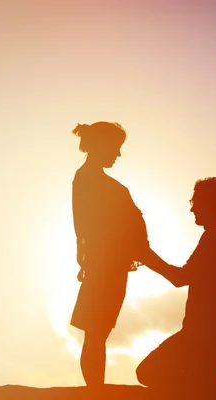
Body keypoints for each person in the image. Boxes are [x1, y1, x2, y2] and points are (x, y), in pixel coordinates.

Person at [137, 177, 216, 397]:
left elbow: (181, 277)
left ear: (210, 204)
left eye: (196, 202)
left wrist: (145, 255)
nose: (192, 208)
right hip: (206, 335)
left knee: (150, 373)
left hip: (205, 336)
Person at [70, 121, 148, 387]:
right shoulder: (91, 180)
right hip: (104, 264)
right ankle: (96, 390)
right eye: (115, 148)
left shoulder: (94, 180)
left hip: (107, 264)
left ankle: (96, 389)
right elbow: (87, 225)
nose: (118, 154)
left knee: (98, 332)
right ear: (102, 145)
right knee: (96, 332)